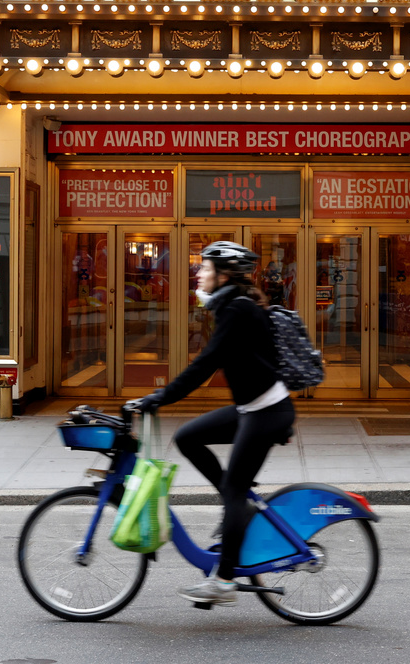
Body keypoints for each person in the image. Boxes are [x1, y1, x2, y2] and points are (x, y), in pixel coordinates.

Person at [127, 241, 293, 606]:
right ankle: (238, 507)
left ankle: (224, 581)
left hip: (267, 413)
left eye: (204, 268)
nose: (198, 273)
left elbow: (205, 364)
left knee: (234, 489)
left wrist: (159, 397)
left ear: (224, 275)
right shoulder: (233, 306)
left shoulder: (237, 309)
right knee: (188, 437)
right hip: (253, 409)